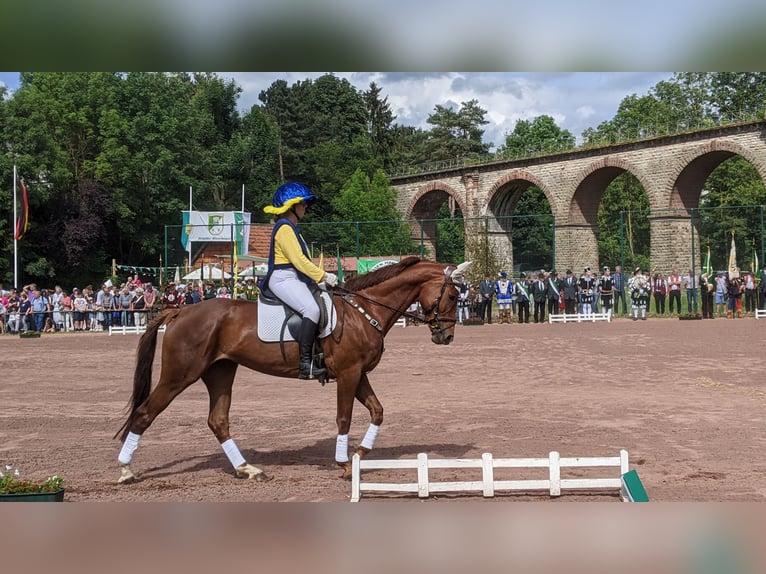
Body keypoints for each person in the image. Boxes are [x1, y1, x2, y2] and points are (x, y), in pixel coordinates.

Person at [261, 182, 337, 380]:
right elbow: (299, 261)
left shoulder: (293, 228)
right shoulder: (284, 228)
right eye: (302, 204)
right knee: (311, 310)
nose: (306, 207)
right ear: (291, 206)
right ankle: (305, 364)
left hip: (294, 277)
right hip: (283, 277)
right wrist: (323, 275)